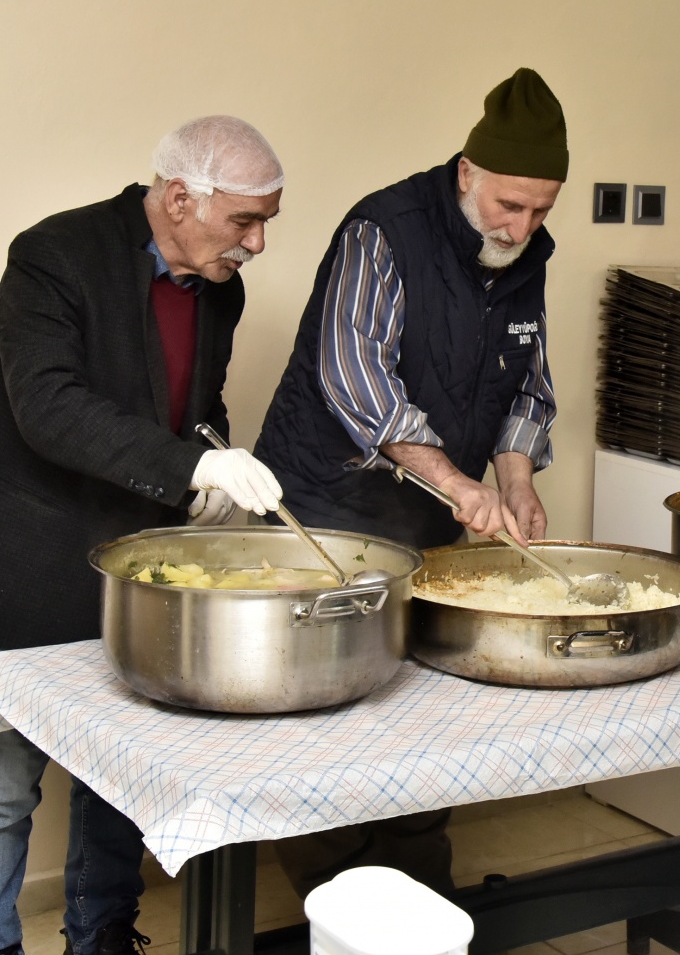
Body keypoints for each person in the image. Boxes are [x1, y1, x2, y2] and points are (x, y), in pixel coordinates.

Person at [0, 117, 289, 955]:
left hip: (134, 567)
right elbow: (48, 407)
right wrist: (192, 468)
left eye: (266, 222)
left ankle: (103, 934)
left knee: (120, 777)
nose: (257, 242)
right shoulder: (52, 255)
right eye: (245, 220)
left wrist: (212, 464)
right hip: (18, 562)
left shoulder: (220, 288)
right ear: (181, 199)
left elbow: (195, 406)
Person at [254, 68, 566, 896]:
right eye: (509, 205)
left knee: (423, 723)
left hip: (423, 520)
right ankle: (349, 914)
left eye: (541, 210)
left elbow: (527, 381)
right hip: (326, 511)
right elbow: (357, 379)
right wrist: (461, 483)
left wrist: (516, 479)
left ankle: (423, 912)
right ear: (467, 172)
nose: (522, 226)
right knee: (323, 728)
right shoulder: (382, 231)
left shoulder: (527, 254)